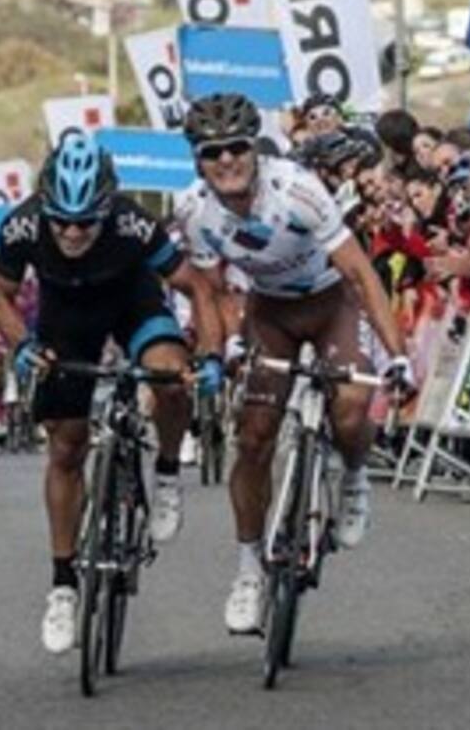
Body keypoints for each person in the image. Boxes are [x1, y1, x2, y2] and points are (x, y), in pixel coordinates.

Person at [173, 93, 413, 636]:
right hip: (269, 312)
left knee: (351, 410)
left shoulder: (299, 190)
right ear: (197, 160)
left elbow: (360, 274)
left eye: (238, 147)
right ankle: (248, 569)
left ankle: (353, 476)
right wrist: (229, 342)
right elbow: (213, 290)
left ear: (255, 150)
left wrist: (396, 353)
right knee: (253, 436)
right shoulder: (192, 209)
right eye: (214, 153)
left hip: (331, 304)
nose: (228, 160)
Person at [0, 132, 224, 656]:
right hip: (65, 318)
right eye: (62, 220)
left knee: (167, 375)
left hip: (131, 303)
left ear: (106, 208)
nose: (72, 232)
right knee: (67, 447)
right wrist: (22, 344)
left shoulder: (134, 223)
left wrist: (210, 356)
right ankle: (63, 585)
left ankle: (164, 474)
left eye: (85, 221)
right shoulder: (23, 225)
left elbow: (198, 288)